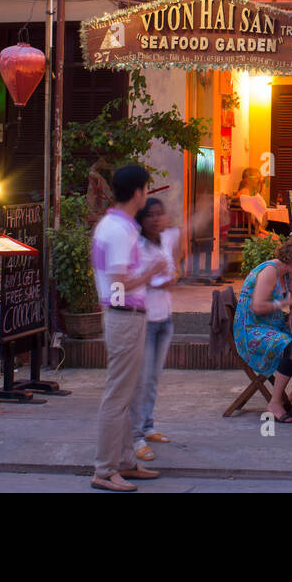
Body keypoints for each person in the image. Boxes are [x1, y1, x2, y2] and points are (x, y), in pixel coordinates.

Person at [90, 164, 167, 492]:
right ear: (138, 192)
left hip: (127, 316)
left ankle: (122, 462)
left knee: (127, 392)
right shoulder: (119, 230)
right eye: (146, 189)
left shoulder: (116, 226)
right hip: (124, 316)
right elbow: (119, 285)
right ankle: (105, 470)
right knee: (118, 394)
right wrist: (152, 272)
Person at [233, 236, 292, 423]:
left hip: (271, 326)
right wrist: (287, 302)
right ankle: (275, 402)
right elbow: (258, 307)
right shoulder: (270, 271)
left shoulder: (286, 273)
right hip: (252, 329)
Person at [131, 198, 178, 462]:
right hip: (145, 320)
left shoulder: (166, 241)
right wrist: (157, 277)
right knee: (142, 379)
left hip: (165, 318)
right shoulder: (136, 246)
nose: (157, 219)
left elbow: (171, 271)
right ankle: (135, 437)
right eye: (151, 215)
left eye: (161, 213)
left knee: (154, 378)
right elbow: (133, 281)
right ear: (142, 219)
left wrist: (170, 276)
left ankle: (148, 426)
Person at [237, 168, 289, 236]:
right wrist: (265, 232)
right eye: (256, 178)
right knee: (286, 229)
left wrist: (262, 184)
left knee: (286, 227)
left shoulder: (251, 192)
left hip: (263, 224)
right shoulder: (245, 194)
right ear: (247, 179)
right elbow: (251, 219)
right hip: (258, 228)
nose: (258, 180)